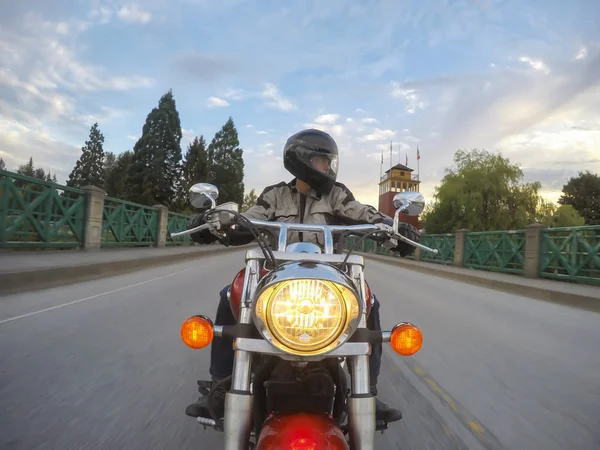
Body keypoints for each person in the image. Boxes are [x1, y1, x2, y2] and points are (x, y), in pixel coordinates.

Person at [184, 128, 420, 424]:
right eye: (323, 161)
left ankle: (368, 391)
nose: (328, 168)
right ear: (303, 160)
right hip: (277, 278)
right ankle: (219, 384)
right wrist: (215, 222)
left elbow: (363, 213)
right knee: (230, 292)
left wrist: (392, 226)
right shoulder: (275, 195)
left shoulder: (337, 195)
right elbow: (250, 216)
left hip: (327, 282)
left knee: (369, 302)